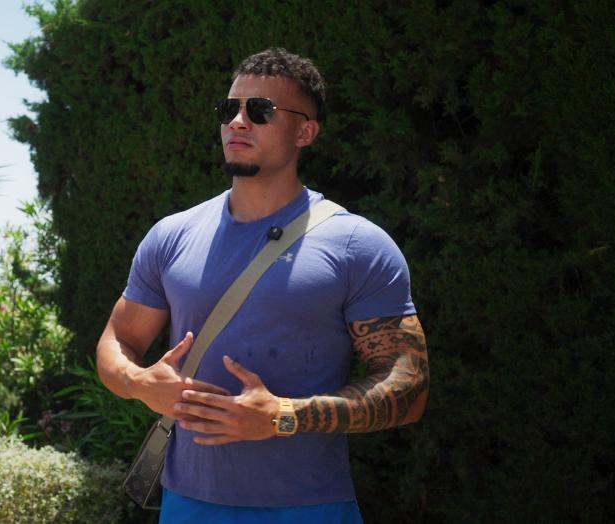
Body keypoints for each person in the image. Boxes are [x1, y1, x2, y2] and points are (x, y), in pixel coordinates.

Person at [96, 48, 429, 523]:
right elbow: (119, 339)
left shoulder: (357, 244)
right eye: (228, 108)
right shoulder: (171, 235)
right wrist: (139, 383)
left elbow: (409, 387)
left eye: (260, 110)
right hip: (189, 504)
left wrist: (283, 415)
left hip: (308, 508)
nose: (238, 121)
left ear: (305, 132)